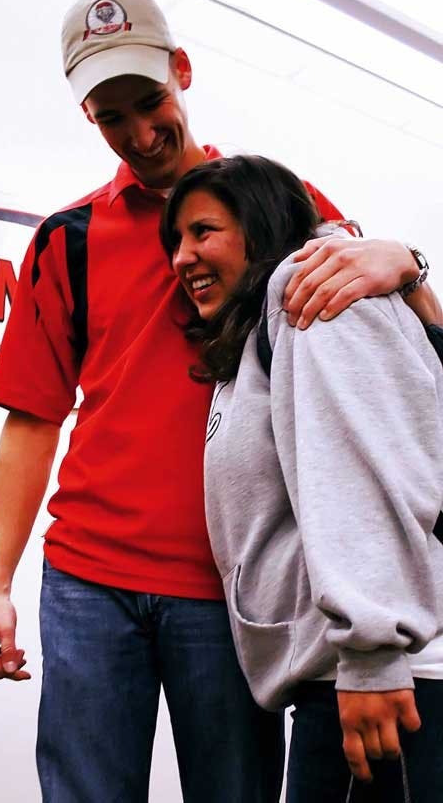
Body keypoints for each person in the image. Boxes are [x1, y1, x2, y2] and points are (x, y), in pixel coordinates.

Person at [0, 0, 443, 802]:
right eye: (111, 116)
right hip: (89, 581)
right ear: (89, 117)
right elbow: (32, 418)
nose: (138, 132)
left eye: (149, 101)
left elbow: (382, 337)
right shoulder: (66, 240)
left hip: (225, 595)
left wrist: (408, 264)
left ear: (181, 71)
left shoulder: (283, 207)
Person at [162, 153, 443, 802]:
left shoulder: (314, 292)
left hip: (386, 682)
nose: (181, 257)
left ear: (260, 224)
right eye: (175, 240)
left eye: (203, 231)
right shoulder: (268, 325)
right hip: (348, 676)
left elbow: (362, 469)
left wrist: (372, 655)